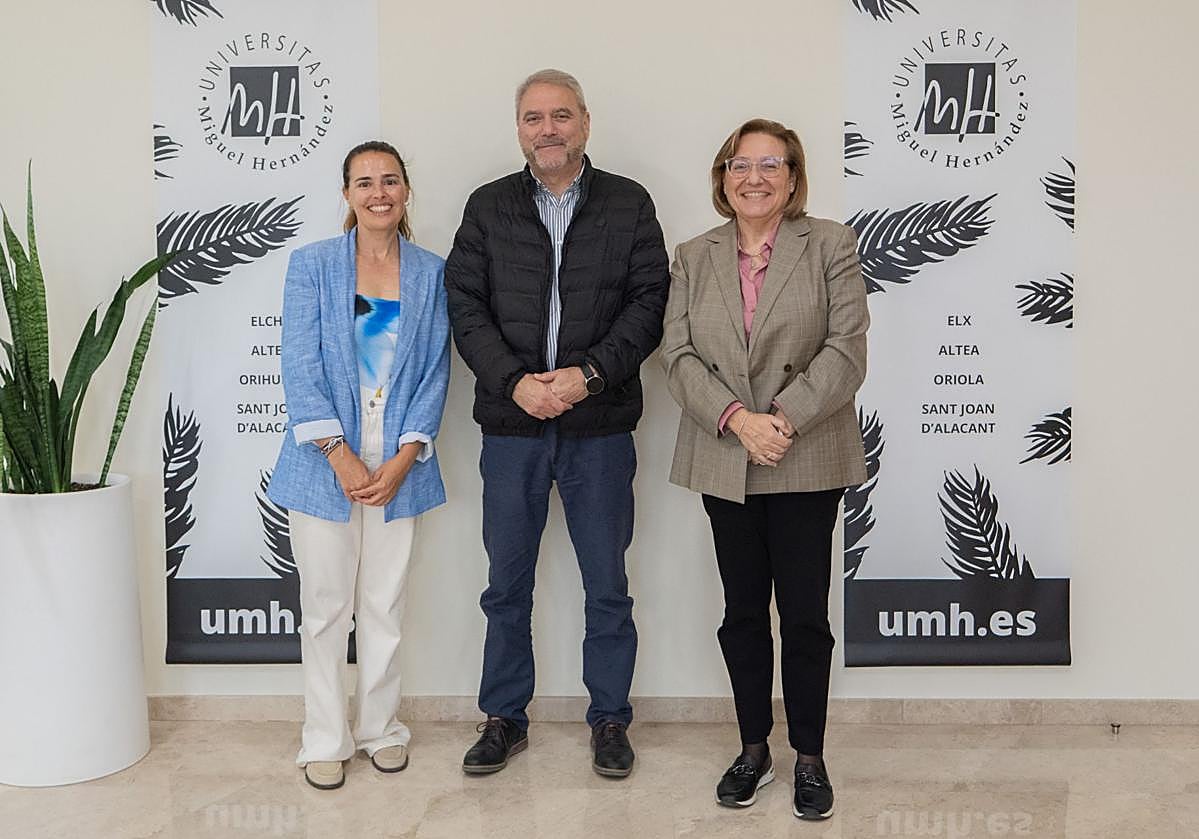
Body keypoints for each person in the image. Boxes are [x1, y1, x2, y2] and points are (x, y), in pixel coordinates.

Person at [445, 69, 669, 778]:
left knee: (606, 582)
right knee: (505, 583)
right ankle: (504, 717)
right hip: (512, 429)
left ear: (585, 122)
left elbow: (648, 304)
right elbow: (465, 307)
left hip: (598, 425)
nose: (548, 129)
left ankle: (608, 718)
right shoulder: (486, 208)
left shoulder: (629, 204)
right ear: (518, 128)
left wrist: (586, 377)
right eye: (534, 117)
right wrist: (515, 383)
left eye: (561, 115)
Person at [660, 118, 869, 819]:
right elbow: (677, 354)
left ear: (792, 176)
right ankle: (753, 748)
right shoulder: (693, 255)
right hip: (727, 451)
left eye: (769, 164)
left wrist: (780, 419)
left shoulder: (830, 243)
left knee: (805, 615)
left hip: (805, 451)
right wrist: (737, 421)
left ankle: (809, 756)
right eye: (739, 164)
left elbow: (846, 347)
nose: (753, 176)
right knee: (742, 612)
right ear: (722, 176)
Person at [267, 140, 450, 791]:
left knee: (384, 603)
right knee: (323, 608)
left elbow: (434, 370)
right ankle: (324, 737)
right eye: (365, 181)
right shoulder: (312, 265)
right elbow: (299, 362)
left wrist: (405, 456)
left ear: (405, 190)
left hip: (398, 464)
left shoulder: (430, 271)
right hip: (324, 467)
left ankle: (381, 729)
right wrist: (338, 454)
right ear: (346, 193)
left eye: (390, 180)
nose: (379, 192)